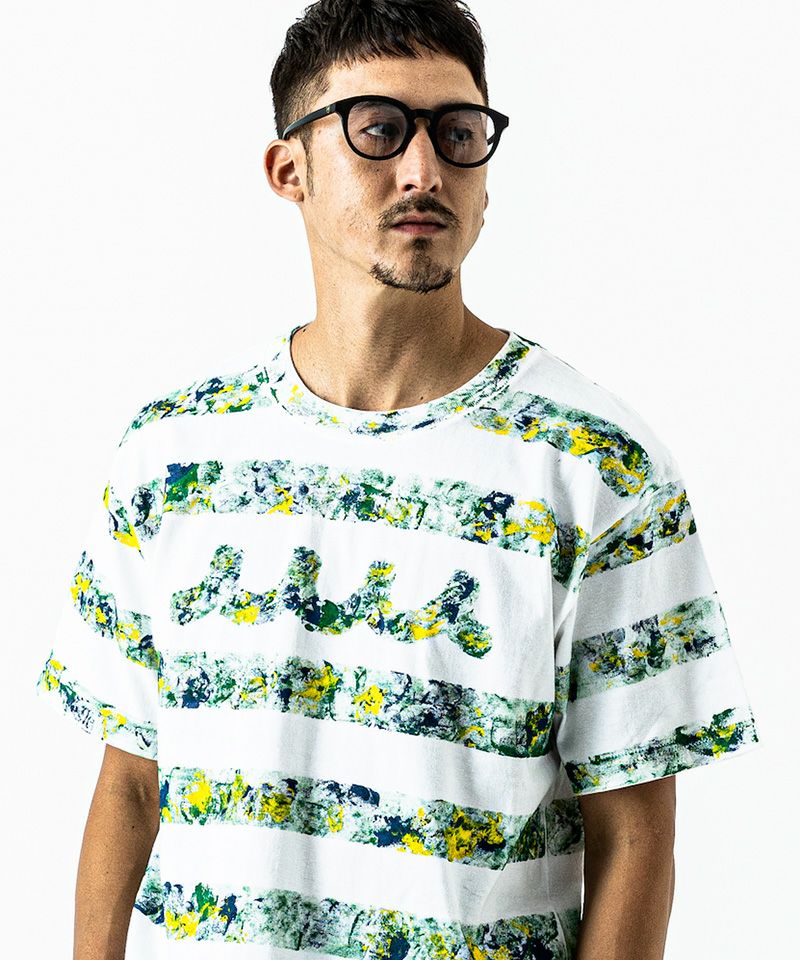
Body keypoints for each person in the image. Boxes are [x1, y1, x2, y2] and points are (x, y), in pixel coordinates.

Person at [34, 2, 761, 958]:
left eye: (458, 134)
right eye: (378, 130)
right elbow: (131, 784)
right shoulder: (171, 456)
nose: (425, 170)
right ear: (288, 169)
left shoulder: (597, 466)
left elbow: (635, 837)